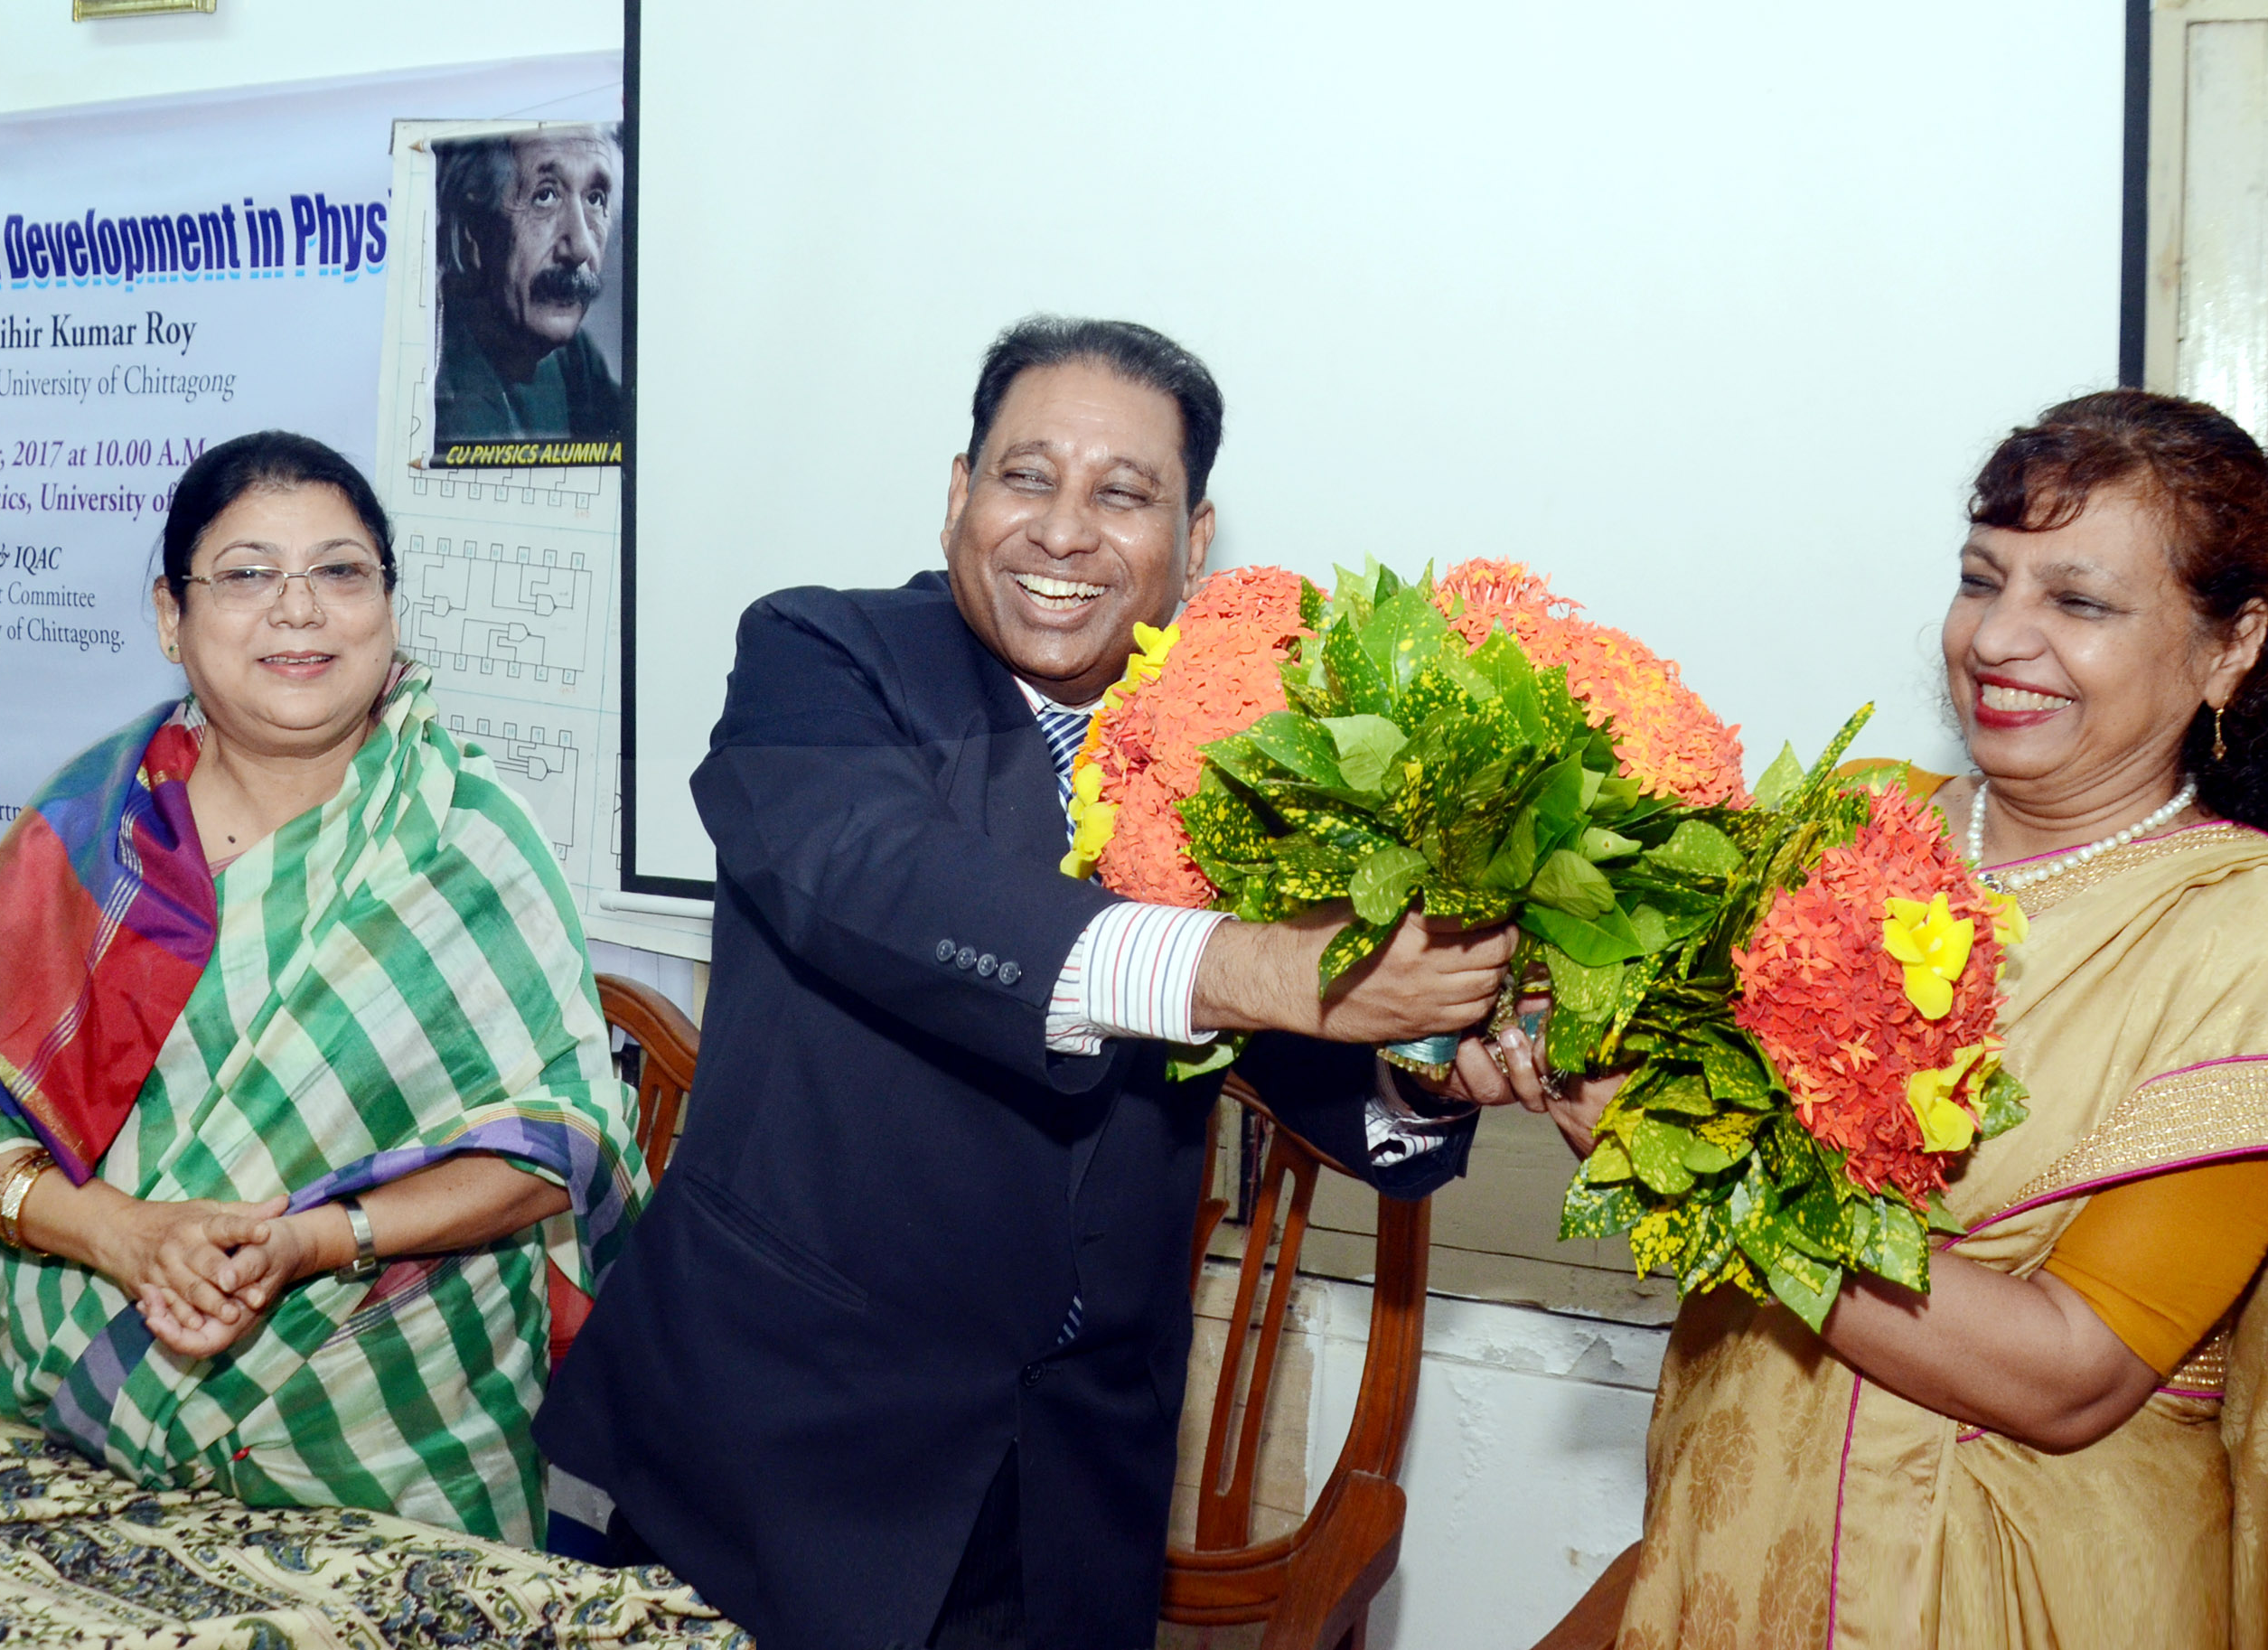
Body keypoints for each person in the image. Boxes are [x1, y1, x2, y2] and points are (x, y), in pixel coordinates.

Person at [536, 317, 1570, 1650]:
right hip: (782, 1457)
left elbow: (1317, 1048)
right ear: (959, 490)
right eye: (1027, 477)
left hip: (1074, 1488)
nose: (1064, 531)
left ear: (1194, 542)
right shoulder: (821, 653)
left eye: (1122, 493)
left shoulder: (1253, 755)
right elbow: (882, 877)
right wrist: (1262, 964)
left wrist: (1430, 1052)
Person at [1560, 390, 2268, 1648]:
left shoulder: (2265, 933)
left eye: (2079, 602)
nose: (1997, 637)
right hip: (1736, 1542)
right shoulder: (1852, 823)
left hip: (2022, 1588)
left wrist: (1706, 1174)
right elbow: (1621, 1054)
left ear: (2229, 647)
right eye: (1982, 580)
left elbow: (2071, 1371)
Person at [0, 431, 644, 1546]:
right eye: (248, 572)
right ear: (172, 614)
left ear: (388, 602)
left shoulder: (466, 837)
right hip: (72, 1388)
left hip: (387, 1437)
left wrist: (321, 1238)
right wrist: (117, 1232)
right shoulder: (93, 823)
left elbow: (567, 1139)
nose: (299, 609)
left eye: (340, 570)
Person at [431, 125, 625, 448]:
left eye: (594, 199)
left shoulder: (571, 357)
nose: (580, 248)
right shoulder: (442, 395)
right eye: (545, 196)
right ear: (474, 229)